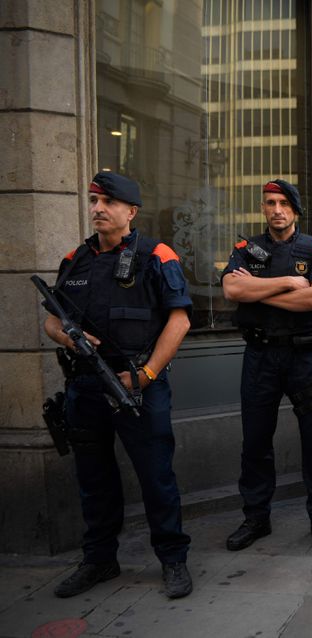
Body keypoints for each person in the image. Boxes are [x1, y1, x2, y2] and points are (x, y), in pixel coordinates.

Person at [43, 171, 193, 599]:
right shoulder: (75, 259)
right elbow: (53, 320)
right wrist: (66, 335)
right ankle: (99, 560)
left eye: (107, 202)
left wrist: (145, 375)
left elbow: (180, 321)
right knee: (94, 479)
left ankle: (173, 559)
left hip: (137, 386)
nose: (97, 209)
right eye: (93, 201)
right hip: (86, 387)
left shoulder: (157, 256)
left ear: (131, 211)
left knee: (156, 476)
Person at [221, 179, 312, 551]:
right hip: (260, 357)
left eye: (284, 203)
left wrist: (258, 293)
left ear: (295, 210)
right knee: (255, 441)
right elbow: (232, 290)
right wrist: (289, 282)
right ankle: (256, 518)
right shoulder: (247, 249)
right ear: (263, 208)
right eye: (270, 202)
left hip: (306, 356)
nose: (276, 209)